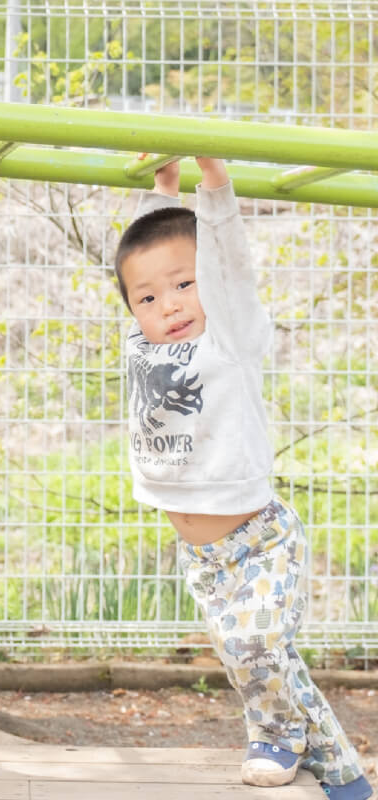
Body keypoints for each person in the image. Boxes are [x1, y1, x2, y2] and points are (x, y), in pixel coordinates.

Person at [114, 154, 373, 800]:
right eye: (148, 298)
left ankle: (303, 753)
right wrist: (162, 193)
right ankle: (318, 760)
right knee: (249, 660)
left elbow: (227, 262)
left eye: (185, 286)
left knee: (257, 646)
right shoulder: (140, 344)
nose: (168, 305)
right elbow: (148, 254)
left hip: (260, 539)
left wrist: (214, 183)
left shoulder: (228, 334)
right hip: (201, 555)